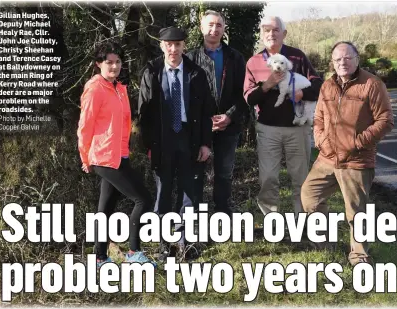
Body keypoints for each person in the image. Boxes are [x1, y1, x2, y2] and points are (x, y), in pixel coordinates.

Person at [301, 41, 394, 266]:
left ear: (357, 59)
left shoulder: (372, 84)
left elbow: (385, 120)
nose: (342, 62)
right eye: (337, 59)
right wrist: (321, 141)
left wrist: (357, 142)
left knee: (356, 212)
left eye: (347, 58)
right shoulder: (327, 86)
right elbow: (319, 118)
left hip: (357, 159)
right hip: (327, 157)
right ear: (332, 62)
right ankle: (323, 243)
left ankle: (359, 256)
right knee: (310, 196)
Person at [77, 41, 156, 268]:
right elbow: (85, 125)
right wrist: (85, 157)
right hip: (103, 156)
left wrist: (125, 153)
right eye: (109, 62)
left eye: (118, 62)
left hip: (119, 155)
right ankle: (133, 253)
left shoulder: (119, 88)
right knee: (143, 199)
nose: (114, 66)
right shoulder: (94, 89)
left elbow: (122, 125)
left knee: (106, 208)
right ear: (98, 64)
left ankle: (100, 257)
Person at [138, 27, 213, 261]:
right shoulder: (151, 72)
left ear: (184, 46)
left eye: (178, 44)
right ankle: (163, 244)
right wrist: (149, 144)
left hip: (188, 138)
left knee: (189, 193)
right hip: (162, 140)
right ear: (161, 46)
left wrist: (205, 143)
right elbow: (143, 113)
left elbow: (206, 112)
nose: (173, 49)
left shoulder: (196, 73)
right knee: (163, 192)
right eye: (168, 44)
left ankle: (185, 242)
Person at [243, 16, 322, 215]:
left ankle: (302, 221)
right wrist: (267, 85)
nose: (271, 34)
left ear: (284, 33)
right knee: (268, 178)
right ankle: (272, 222)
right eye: (266, 30)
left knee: (301, 179)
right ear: (261, 34)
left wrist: (302, 93)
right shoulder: (253, 62)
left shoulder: (297, 57)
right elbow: (249, 98)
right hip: (268, 130)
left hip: (297, 129)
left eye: (276, 30)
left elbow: (318, 85)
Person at [184, 10, 248, 216]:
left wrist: (229, 115)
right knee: (195, 172)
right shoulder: (190, 58)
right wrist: (204, 119)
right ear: (202, 28)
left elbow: (244, 92)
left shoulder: (235, 58)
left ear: (223, 29)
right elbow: (185, 95)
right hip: (199, 125)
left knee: (224, 172)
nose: (214, 29)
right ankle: (193, 214)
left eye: (218, 25)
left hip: (229, 124)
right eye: (210, 25)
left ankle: (222, 210)